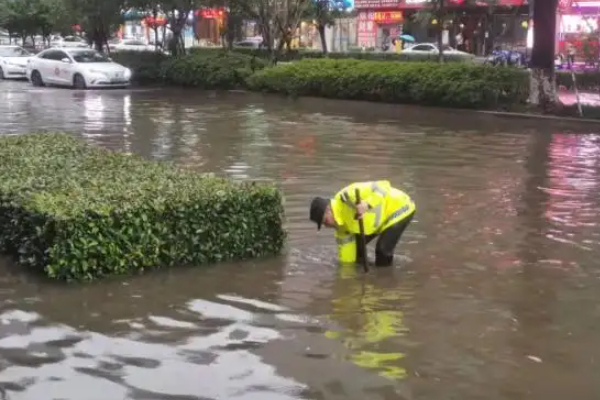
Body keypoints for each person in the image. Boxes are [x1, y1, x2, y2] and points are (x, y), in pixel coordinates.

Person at [309, 180, 416, 267]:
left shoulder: (346, 196)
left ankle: (385, 282)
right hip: (379, 222)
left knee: (382, 249)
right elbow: (347, 260)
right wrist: (347, 277)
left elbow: (383, 186)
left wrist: (367, 204)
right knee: (357, 250)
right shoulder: (341, 229)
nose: (326, 226)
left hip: (399, 206)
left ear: (329, 210)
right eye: (323, 224)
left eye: (325, 221)